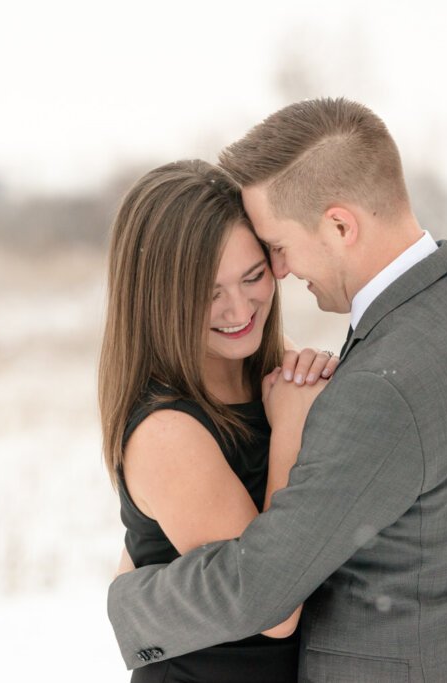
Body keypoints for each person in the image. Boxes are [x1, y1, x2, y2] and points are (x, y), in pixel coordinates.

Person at [107, 98, 447, 682]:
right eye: (211, 290)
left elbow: (266, 587)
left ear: (339, 225)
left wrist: (130, 600)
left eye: (268, 257)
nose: (280, 274)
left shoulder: (378, 386)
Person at [99, 159, 337, 682]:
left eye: (253, 277)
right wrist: (293, 433)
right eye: (208, 293)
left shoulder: (269, 365)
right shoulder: (166, 431)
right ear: (159, 299)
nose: (238, 310)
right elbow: (271, 609)